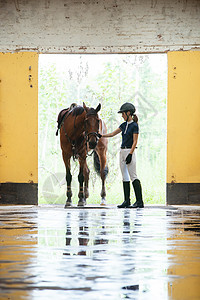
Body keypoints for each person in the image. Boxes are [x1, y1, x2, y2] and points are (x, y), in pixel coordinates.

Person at [99, 102, 144, 208]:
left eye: (123, 114)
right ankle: (126, 201)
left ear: (128, 113)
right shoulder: (123, 125)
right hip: (122, 151)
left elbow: (135, 141)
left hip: (129, 151)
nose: (122, 116)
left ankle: (139, 201)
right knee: (124, 176)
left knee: (133, 176)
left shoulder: (134, 126)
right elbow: (112, 134)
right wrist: (101, 135)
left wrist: (130, 154)